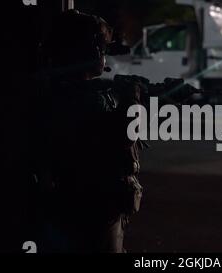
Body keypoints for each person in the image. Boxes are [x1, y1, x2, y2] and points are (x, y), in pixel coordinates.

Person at [36, 10, 143, 253]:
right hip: (93, 209)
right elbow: (123, 135)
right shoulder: (87, 99)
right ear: (88, 51)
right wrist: (132, 101)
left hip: (70, 207)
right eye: (102, 48)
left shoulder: (57, 91)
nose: (104, 56)